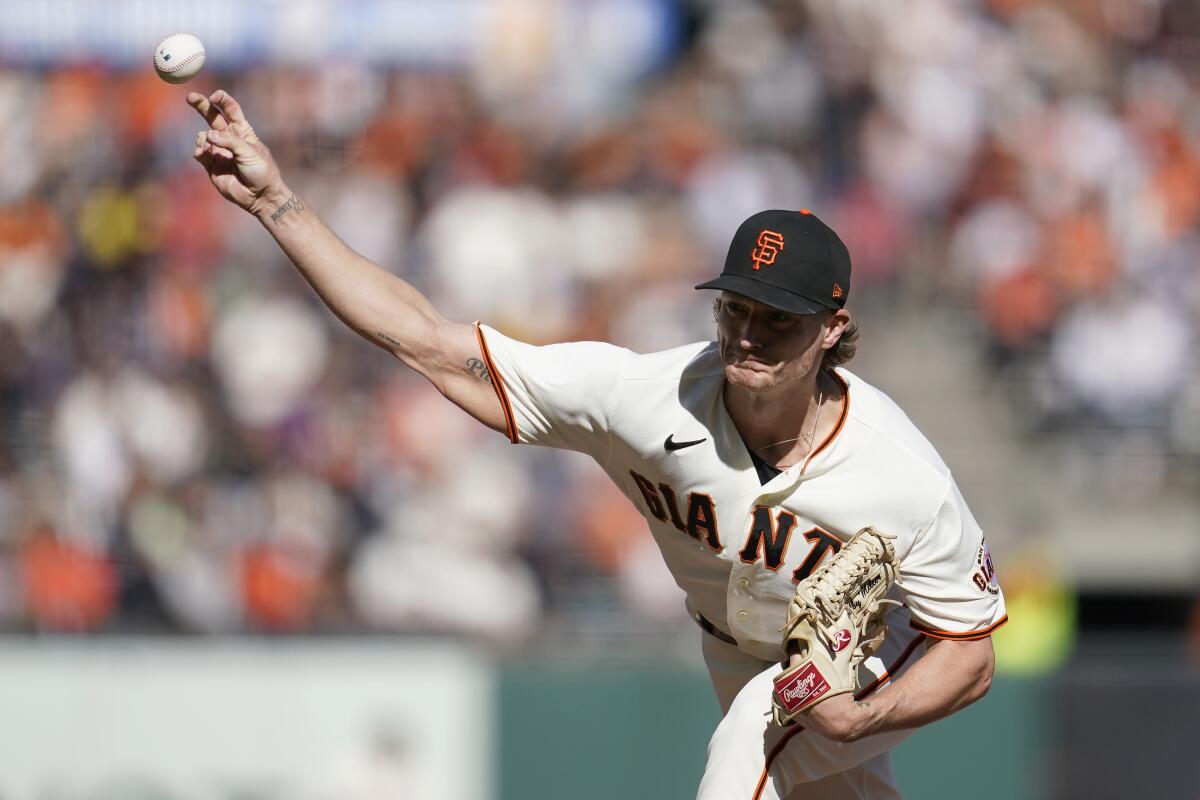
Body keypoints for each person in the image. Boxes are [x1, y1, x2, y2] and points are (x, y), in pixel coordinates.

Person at [188, 89, 1007, 800]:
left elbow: (970, 655)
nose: (749, 337)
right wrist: (276, 205)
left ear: (832, 330)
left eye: (778, 320)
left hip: (861, 660)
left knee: (755, 739)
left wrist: (861, 714)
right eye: (737, 310)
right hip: (733, 647)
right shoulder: (642, 400)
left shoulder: (899, 474)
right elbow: (427, 342)